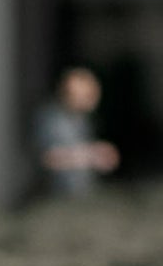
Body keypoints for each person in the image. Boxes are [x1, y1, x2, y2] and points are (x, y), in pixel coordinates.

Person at [33, 65, 119, 200]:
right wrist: (92, 156)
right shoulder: (52, 119)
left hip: (79, 194)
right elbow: (47, 158)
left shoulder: (81, 119)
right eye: (88, 95)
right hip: (56, 197)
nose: (93, 100)